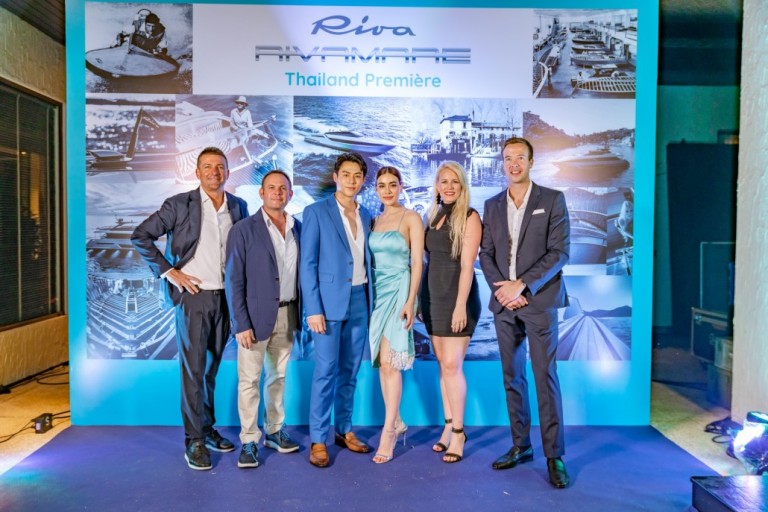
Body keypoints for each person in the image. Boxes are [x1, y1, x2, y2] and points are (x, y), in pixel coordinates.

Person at [131, 147, 249, 471]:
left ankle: (208, 430)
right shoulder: (179, 204)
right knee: (193, 370)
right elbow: (141, 235)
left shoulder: (239, 207)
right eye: (207, 167)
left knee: (210, 369)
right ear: (197, 173)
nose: (215, 172)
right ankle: (193, 440)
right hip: (194, 297)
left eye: (220, 167)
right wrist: (171, 271)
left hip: (226, 299)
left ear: (228, 172)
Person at [478, 137, 571, 489]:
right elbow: (485, 254)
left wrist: (523, 285)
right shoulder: (491, 205)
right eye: (507, 158)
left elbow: (560, 253)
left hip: (539, 301)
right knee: (512, 376)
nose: (513, 164)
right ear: (502, 163)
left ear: (532, 161)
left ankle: (554, 455)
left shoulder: (552, 199)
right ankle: (521, 445)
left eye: (520, 158)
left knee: (545, 375)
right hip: (504, 302)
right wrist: (503, 288)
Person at [224, 170, 301, 469]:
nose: (277, 193)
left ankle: (274, 431)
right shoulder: (243, 230)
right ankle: (248, 440)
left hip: (288, 312)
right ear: (261, 193)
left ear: (290, 194)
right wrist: (240, 323)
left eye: (283, 189)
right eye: (271, 188)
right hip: (253, 320)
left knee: (278, 378)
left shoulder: (298, 228)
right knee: (249, 381)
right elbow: (234, 281)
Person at [300, 152, 373, 468]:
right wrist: (312, 309)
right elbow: (308, 264)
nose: (352, 180)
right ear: (335, 177)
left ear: (362, 179)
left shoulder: (367, 214)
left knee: (350, 372)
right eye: (346, 174)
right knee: (326, 371)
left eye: (357, 175)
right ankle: (318, 438)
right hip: (327, 306)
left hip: (360, 300)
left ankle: (344, 430)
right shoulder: (316, 212)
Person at [420, 161, 482, 464]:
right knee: (443, 367)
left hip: (458, 300)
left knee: (452, 366)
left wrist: (460, 306)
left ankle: (459, 432)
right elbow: (427, 262)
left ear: (462, 185)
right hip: (433, 297)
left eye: (454, 181)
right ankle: (447, 428)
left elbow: (468, 266)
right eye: (443, 181)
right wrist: (421, 300)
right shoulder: (433, 216)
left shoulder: (470, 217)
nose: (448, 186)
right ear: (437, 185)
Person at [368, 167, 424, 464]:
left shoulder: (411, 217)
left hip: (401, 291)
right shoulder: (374, 220)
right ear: (376, 189)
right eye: (381, 185)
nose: (387, 190)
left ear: (401, 187)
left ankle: (388, 432)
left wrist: (411, 301)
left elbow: (417, 261)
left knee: (391, 362)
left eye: (392, 185)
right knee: (383, 365)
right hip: (377, 294)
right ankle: (398, 420)